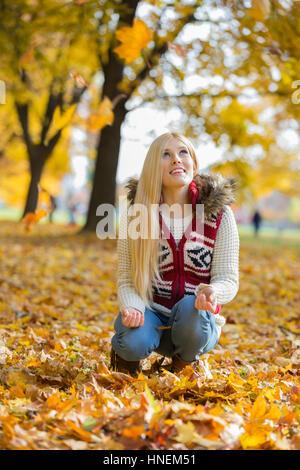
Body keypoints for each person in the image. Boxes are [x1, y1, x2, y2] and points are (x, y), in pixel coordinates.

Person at [110, 132, 240, 376]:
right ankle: (125, 355)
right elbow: (127, 277)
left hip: (195, 322)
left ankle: (185, 362)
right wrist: (133, 308)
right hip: (152, 315)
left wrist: (213, 292)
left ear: (193, 162)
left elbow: (228, 278)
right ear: (153, 166)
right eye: (166, 155)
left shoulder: (219, 215)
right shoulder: (137, 214)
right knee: (132, 341)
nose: (176, 160)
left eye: (183, 153)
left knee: (193, 307)